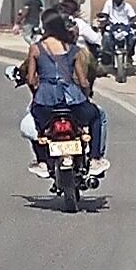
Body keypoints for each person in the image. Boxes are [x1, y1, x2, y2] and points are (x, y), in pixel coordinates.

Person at [24, 11, 109, 177]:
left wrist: (37, 94)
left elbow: (31, 80)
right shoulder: (74, 50)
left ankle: (42, 160)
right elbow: (83, 81)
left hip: (45, 104)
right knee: (98, 116)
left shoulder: (35, 49)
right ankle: (95, 158)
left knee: (34, 126)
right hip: (73, 102)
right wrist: (85, 95)